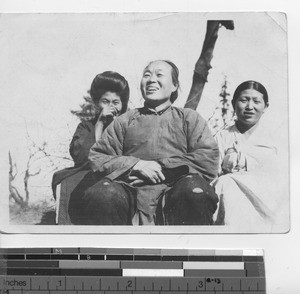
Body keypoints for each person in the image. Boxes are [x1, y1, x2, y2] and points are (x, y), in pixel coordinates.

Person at [69, 60, 219, 225]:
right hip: (129, 195)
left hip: (176, 196)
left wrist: (161, 168)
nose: (151, 79)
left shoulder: (189, 118)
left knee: (194, 190)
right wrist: (136, 165)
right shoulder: (124, 121)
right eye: (146, 75)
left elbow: (207, 158)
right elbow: (98, 156)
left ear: (175, 85)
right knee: (102, 194)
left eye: (159, 74)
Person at [52, 71, 130, 224]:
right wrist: (100, 124)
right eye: (105, 101)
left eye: (116, 102)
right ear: (97, 103)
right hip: (91, 176)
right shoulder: (86, 127)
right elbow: (81, 157)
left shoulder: (129, 126)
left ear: (122, 105)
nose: (110, 107)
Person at [213, 80, 281, 230]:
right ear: (233, 103)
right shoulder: (222, 136)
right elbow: (212, 174)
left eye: (256, 101)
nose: (250, 107)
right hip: (230, 200)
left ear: (266, 107)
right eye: (244, 100)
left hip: (266, 203)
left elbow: (281, 180)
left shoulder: (275, 138)